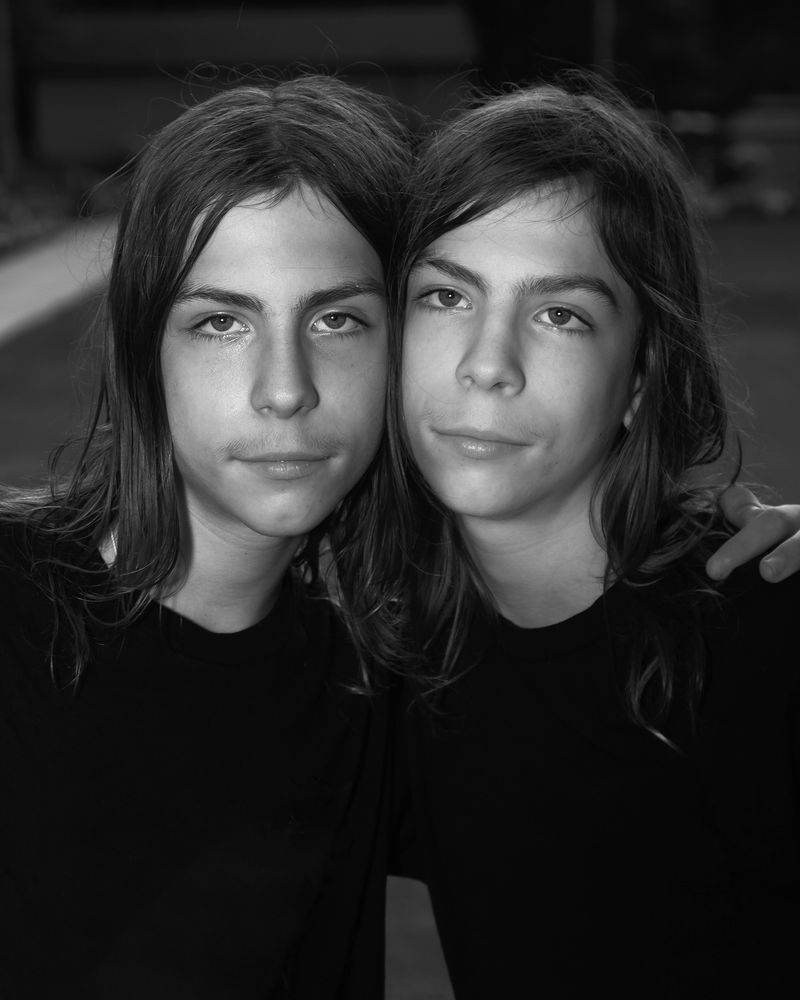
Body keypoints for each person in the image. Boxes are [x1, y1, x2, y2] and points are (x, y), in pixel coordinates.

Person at [377, 75, 800, 997]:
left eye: (559, 315)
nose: (489, 366)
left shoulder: (763, 622)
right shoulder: (393, 663)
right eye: (446, 298)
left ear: (642, 378)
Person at [0, 75, 411, 998]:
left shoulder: (362, 691)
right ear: (145, 355)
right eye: (222, 322)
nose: (284, 387)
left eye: (337, 319)